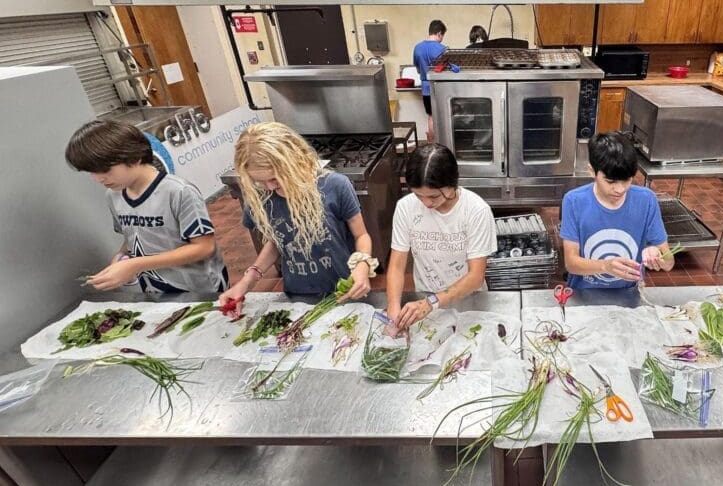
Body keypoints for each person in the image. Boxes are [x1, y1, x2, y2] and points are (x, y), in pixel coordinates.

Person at [64, 119, 227, 293]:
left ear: (133, 157)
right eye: (91, 172)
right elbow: (132, 237)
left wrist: (135, 265)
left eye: (105, 169)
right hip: (154, 290)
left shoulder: (178, 191)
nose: (98, 178)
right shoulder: (113, 195)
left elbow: (204, 247)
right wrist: (121, 257)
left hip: (200, 289)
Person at [218, 122, 373, 304]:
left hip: (345, 288)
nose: (270, 186)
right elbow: (278, 241)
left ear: (295, 162)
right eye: (261, 181)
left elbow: (361, 235)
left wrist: (362, 265)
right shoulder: (262, 197)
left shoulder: (334, 186)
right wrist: (246, 281)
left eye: (275, 178)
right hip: (297, 293)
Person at [387, 144, 496, 330]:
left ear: (452, 184)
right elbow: (397, 265)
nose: (426, 203)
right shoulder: (406, 207)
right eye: (419, 196)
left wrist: (432, 302)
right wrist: (393, 308)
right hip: (424, 299)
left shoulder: (476, 211)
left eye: (433, 196)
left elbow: (475, 276)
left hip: (468, 300)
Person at [561, 132, 675, 289]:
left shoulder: (646, 200)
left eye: (627, 180)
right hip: (584, 293)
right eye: (610, 181)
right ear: (592, 171)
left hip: (628, 293)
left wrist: (657, 256)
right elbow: (571, 263)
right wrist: (604, 266)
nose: (620, 189)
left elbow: (669, 262)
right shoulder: (574, 201)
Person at [413, 19, 448, 143]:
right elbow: (447, 70)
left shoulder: (417, 48)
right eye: (442, 36)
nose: (442, 39)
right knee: (443, 116)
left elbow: (417, 69)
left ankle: (431, 145)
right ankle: (443, 145)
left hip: (426, 88)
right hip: (441, 88)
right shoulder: (443, 49)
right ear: (439, 33)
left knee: (431, 116)